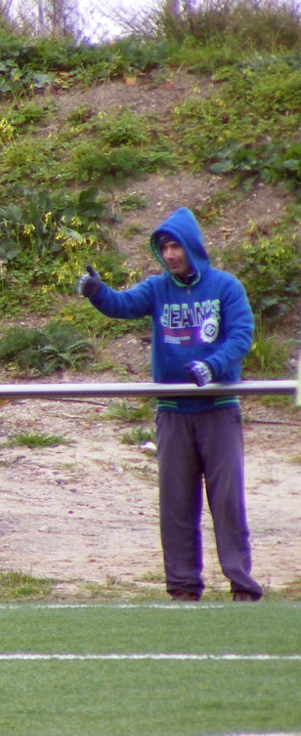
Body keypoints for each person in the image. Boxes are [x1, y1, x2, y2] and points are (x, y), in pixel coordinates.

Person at [77, 206, 262, 602]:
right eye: (164, 248)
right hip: (173, 411)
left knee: (227, 502)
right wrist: (97, 292)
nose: (171, 254)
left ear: (192, 246)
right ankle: (182, 587)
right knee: (176, 503)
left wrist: (212, 367)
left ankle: (242, 585)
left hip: (218, 407)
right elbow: (123, 305)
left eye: (176, 246)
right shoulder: (157, 288)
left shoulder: (226, 287)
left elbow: (241, 336)